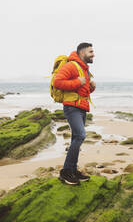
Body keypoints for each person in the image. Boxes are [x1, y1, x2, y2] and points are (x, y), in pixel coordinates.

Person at [53, 42, 96, 185]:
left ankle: (72, 170)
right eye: (91, 52)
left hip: (81, 107)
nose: (93, 55)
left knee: (75, 139)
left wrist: (91, 87)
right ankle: (65, 172)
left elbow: (82, 91)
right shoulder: (71, 66)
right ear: (82, 53)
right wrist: (78, 81)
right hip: (72, 107)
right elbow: (57, 82)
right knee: (80, 136)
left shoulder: (84, 69)